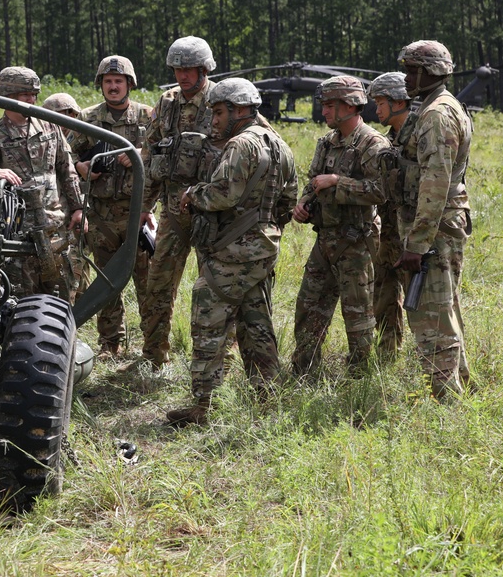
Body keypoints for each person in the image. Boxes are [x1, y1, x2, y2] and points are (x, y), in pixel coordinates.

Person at [168, 79, 297, 425]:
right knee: (257, 324)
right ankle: (266, 397)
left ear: (241, 111)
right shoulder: (280, 144)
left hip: (230, 253)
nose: (214, 119)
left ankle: (204, 405)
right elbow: (290, 201)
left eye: (220, 112)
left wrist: (192, 195)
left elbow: (223, 194)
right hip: (262, 249)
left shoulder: (241, 145)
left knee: (207, 323)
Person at [291, 75, 390, 376]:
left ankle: (360, 377)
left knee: (357, 314)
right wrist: (303, 203)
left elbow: (381, 191)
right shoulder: (327, 143)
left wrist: (337, 182)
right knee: (309, 308)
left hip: (356, 242)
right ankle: (304, 371)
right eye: (324, 106)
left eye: (330, 106)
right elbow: (313, 181)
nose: (324, 112)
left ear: (350, 105)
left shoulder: (373, 144)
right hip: (325, 240)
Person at [395, 40, 473, 400]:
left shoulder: (437, 115)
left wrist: (417, 243)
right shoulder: (432, 107)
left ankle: (447, 399)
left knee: (431, 315)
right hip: (438, 223)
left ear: (431, 73)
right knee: (444, 306)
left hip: (434, 226)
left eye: (413, 70)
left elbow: (434, 183)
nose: (407, 77)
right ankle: (461, 386)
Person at [136, 36, 219, 370]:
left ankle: (215, 362)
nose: (183, 75)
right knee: (157, 284)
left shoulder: (223, 99)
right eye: (178, 69)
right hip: (172, 211)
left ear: (204, 69)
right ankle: (154, 357)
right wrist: (144, 206)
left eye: (190, 69)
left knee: (213, 290)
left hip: (212, 213)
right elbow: (152, 151)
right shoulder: (167, 101)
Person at [67, 56, 153, 360]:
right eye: (107, 82)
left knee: (148, 283)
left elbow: (166, 153)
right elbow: (63, 153)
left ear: (129, 84)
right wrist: (81, 166)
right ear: (101, 85)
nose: (113, 86)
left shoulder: (148, 116)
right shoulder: (86, 118)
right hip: (101, 214)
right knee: (106, 282)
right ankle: (110, 344)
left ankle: (153, 347)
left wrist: (142, 153)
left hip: (138, 213)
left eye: (118, 81)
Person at [0, 67, 85, 300]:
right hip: (18, 234)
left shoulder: (50, 126)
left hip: (55, 226)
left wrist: (77, 208)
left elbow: (66, 168)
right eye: (25, 95)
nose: (32, 100)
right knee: (22, 297)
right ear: (7, 96)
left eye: (34, 94)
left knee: (64, 293)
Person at [367, 71, 411, 361]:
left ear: (398, 101)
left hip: (412, 236)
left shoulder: (419, 140)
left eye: (381, 102)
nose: (377, 109)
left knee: (420, 302)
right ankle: (387, 357)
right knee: (382, 299)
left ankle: (432, 364)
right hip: (387, 234)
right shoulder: (388, 142)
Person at [43, 92, 91, 302]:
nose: (65, 122)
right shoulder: (43, 142)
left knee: (81, 272)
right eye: (59, 116)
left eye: (70, 116)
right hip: (57, 220)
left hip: (84, 216)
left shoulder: (84, 137)